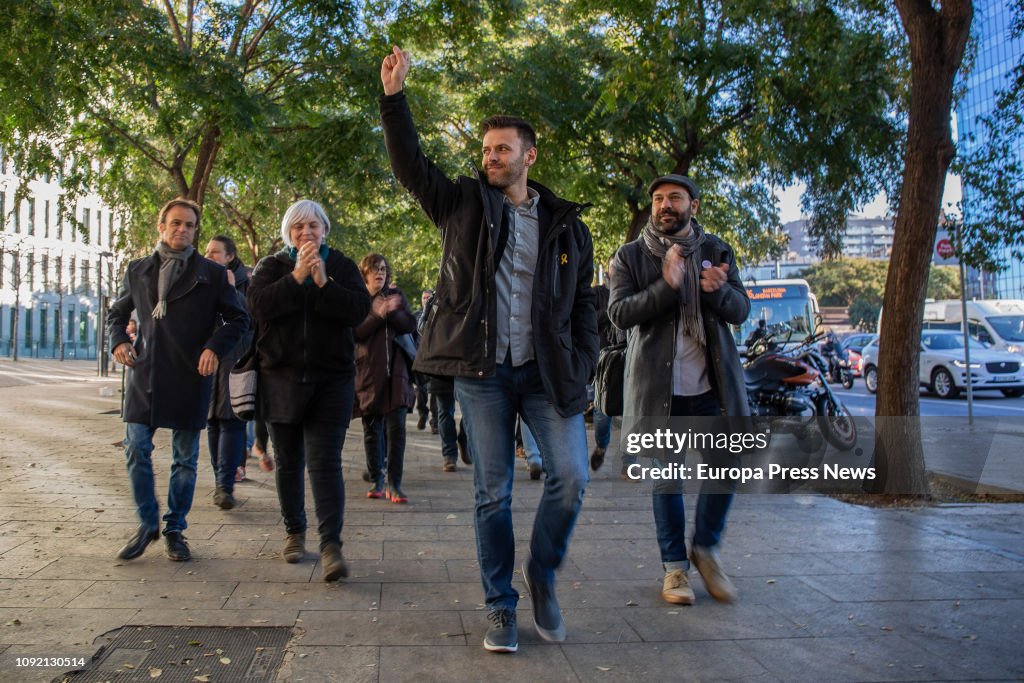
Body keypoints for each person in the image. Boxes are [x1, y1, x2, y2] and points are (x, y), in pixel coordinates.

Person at [380, 46, 599, 653]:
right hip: (483, 375)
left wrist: (581, 360)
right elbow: (410, 166)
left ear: (530, 155)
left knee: (572, 477)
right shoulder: (460, 204)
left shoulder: (566, 227)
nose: (491, 157)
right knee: (492, 492)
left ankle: (543, 573)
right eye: (486, 150)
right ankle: (500, 604)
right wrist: (394, 101)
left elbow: (585, 304)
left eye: (502, 148)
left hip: (548, 373)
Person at [608, 174, 749, 606]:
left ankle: (705, 549)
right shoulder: (629, 256)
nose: (664, 205)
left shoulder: (717, 251)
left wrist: (719, 291)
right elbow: (619, 314)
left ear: (694, 206)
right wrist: (667, 287)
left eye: (674, 198)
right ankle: (674, 570)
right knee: (666, 480)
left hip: (712, 387)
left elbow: (741, 310)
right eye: (657, 199)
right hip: (658, 390)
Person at [109, 198, 250, 562]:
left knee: (184, 460)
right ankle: (147, 522)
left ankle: (175, 529)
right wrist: (119, 341)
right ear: (161, 226)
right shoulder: (138, 269)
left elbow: (238, 320)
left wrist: (214, 349)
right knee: (136, 447)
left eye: (189, 225)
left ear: (195, 230)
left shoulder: (212, 274)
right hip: (146, 374)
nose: (181, 230)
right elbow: (117, 312)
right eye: (175, 223)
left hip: (191, 374)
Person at [247, 199, 371, 581]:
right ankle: (294, 531)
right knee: (288, 461)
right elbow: (258, 306)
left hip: (331, 381)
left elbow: (357, 311)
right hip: (280, 379)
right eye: (299, 226)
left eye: (313, 226)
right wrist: (297, 276)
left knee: (324, 463)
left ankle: (331, 545)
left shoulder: (343, 267)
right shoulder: (271, 267)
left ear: (324, 230)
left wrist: (322, 282)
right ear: (288, 232)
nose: (306, 233)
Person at [354, 253, 417, 503]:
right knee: (372, 429)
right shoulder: (359, 300)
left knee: (397, 431)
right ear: (365, 274)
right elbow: (356, 332)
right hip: (368, 373)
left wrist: (394, 310)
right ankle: (376, 479)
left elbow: (410, 326)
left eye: (382, 269)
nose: (379, 273)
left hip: (397, 375)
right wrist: (377, 315)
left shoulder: (395, 295)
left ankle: (395, 483)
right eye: (373, 269)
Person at [203, 235, 254, 508]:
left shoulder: (246, 281)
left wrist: (233, 292)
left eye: (215, 253)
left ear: (230, 256)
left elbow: (253, 320)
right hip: (209, 361)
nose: (208, 256)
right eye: (207, 252)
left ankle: (225, 485)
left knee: (232, 420)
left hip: (238, 360)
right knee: (212, 420)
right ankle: (219, 481)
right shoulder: (204, 281)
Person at [590, 256, 627, 476]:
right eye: (614, 268)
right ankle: (601, 445)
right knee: (603, 411)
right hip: (605, 360)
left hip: (630, 356)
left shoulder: (634, 291)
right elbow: (591, 322)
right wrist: (613, 311)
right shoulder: (599, 295)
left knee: (631, 411)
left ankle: (628, 462)